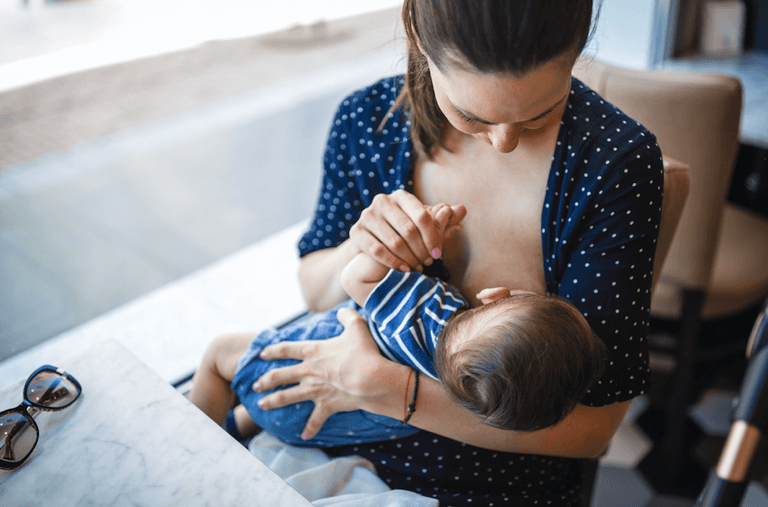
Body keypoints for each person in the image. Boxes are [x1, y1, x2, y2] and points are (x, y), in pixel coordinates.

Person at [216, 0, 665, 504]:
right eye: (473, 116)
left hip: (486, 483)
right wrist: (359, 250)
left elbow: (594, 429)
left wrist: (386, 388)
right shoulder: (368, 123)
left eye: (540, 114)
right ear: (417, 33)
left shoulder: (615, 163)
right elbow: (316, 293)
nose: (504, 143)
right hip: (321, 439)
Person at [188, 203, 608, 447]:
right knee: (262, 407)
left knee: (218, 353)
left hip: (289, 374)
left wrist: (407, 248)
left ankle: (195, 446)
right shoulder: (459, 395)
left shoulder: (428, 310)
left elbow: (356, 278)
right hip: (314, 431)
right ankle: (242, 423)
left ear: (495, 295)